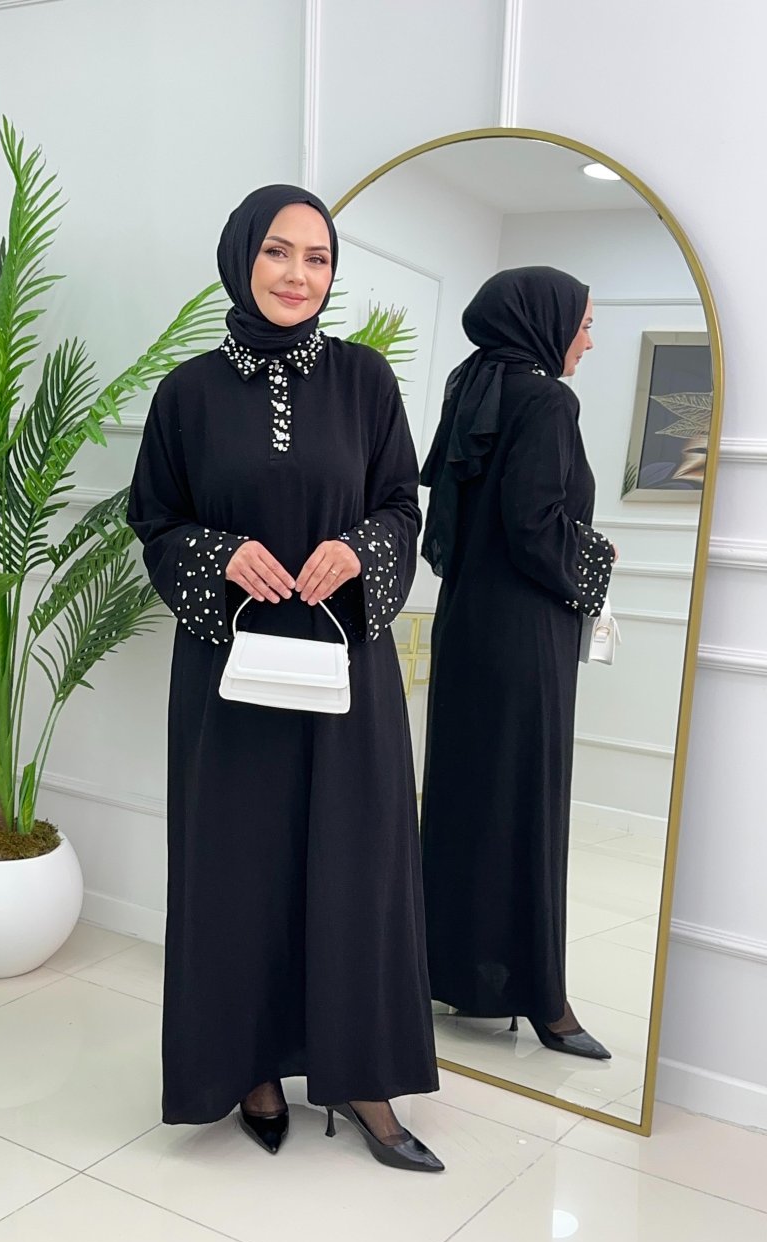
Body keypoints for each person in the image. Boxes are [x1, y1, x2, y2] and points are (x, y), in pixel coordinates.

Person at [127, 184, 442, 1171]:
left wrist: (360, 550)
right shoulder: (186, 393)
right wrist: (218, 554)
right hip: (230, 673)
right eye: (278, 251)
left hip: (346, 667)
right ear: (240, 258)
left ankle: (362, 1077)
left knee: (359, 863)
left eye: (318, 257)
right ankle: (251, 1067)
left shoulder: (364, 380)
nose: (298, 274)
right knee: (238, 867)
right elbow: (155, 520)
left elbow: (401, 506)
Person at [418, 266, 615, 1060]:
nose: (589, 341)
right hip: (526, 638)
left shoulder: (473, 385)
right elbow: (535, 526)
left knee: (467, 801)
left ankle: (453, 970)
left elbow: (459, 526)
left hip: (466, 630)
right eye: (585, 323)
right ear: (546, 320)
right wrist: (595, 559)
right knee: (527, 807)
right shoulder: (546, 400)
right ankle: (543, 999)